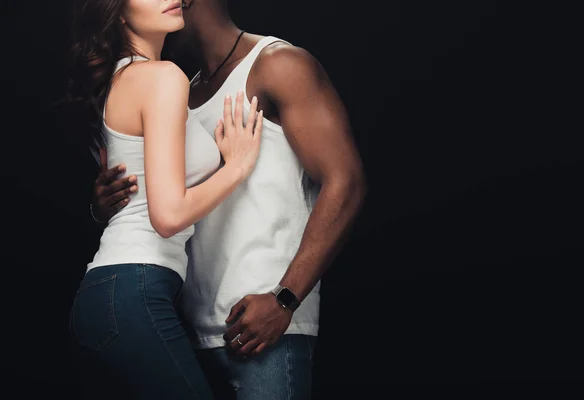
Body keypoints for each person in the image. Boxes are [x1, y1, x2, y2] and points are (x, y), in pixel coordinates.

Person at [92, 0, 368, 398]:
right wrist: (104, 204)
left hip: (266, 329)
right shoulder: (175, 89)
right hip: (190, 332)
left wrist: (284, 299)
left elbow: (347, 182)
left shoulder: (277, 63)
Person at [64, 0, 264, 398]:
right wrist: (236, 166)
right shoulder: (161, 78)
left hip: (116, 292)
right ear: (116, 11)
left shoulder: (123, 80)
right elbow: (168, 215)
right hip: (133, 289)